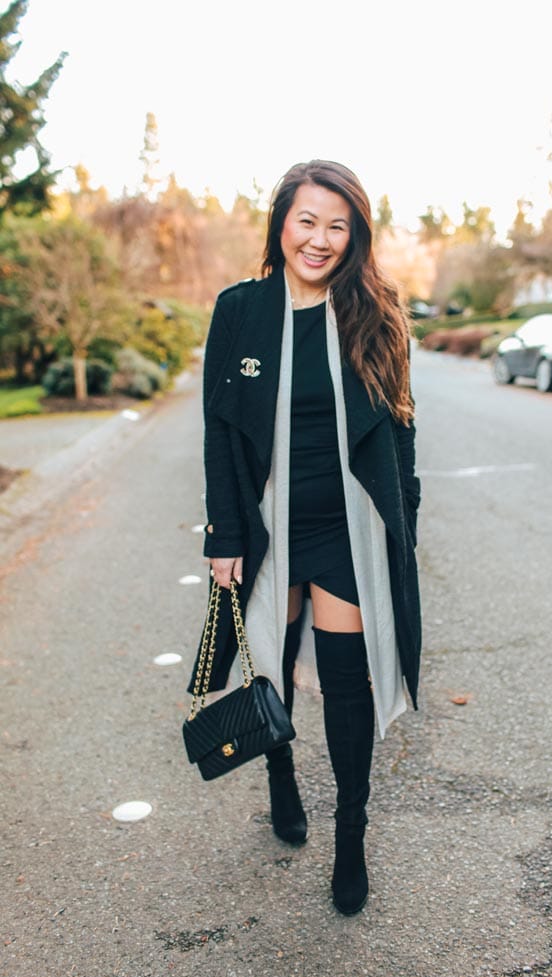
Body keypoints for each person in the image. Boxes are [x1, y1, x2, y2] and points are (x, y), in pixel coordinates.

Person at [190, 159, 421, 915]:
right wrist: (223, 533)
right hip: (267, 526)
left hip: (345, 526)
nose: (319, 239)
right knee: (274, 664)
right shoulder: (240, 311)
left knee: (348, 686)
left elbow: (400, 431)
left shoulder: (374, 311)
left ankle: (349, 833)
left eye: (336, 225)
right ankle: (279, 774)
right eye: (306, 221)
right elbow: (219, 431)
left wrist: (401, 528)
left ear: (353, 235)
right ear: (280, 225)